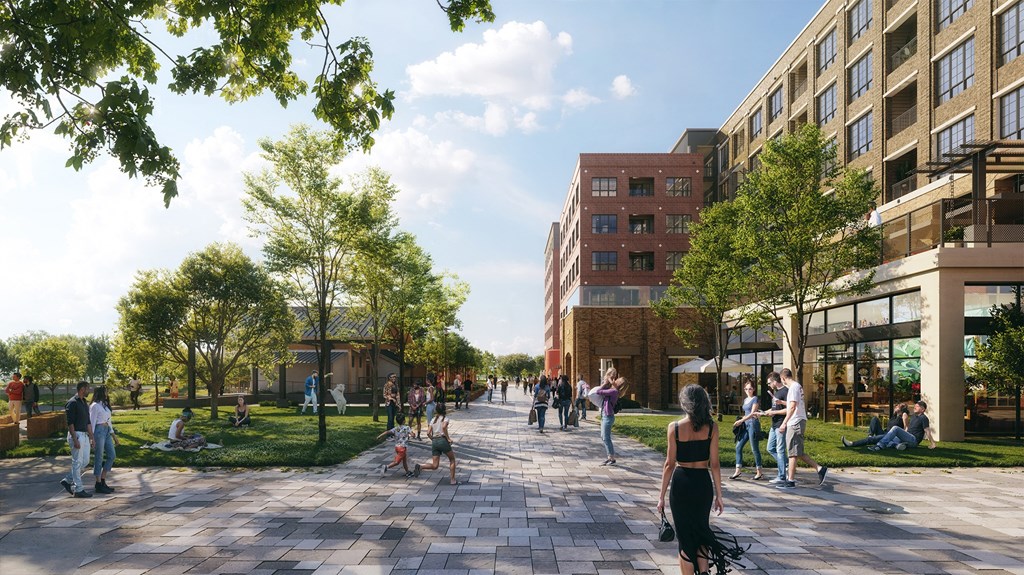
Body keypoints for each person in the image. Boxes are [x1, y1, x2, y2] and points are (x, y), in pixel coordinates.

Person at [656, 384, 745, 575]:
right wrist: (719, 495)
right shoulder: (712, 427)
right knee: (701, 531)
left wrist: (661, 496)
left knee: (685, 538)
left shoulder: (675, 428)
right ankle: (704, 573)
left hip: (682, 484)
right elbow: (715, 464)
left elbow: (669, 464)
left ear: (684, 403)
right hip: (703, 485)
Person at [777, 368, 828, 489]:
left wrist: (784, 423)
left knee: (793, 453)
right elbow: (792, 404)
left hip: (795, 422)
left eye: (781, 379)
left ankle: (790, 481)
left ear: (783, 378)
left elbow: (793, 406)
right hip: (797, 421)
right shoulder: (796, 387)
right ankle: (820, 469)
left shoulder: (794, 387)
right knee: (797, 451)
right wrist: (783, 403)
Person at [60, 381, 95, 498]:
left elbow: (88, 422)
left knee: (84, 461)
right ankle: (78, 489)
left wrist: (92, 437)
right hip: (77, 435)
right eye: (88, 388)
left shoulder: (84, 402)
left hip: (85, 435)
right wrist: (75, 439)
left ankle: (67, 480)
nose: (89, 390)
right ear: (82, 389)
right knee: (77, 462)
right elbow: (70, 423)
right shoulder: (72, 403)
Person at [757, 372, 789, 484]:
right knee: (770, 448)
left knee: (780, 450)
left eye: (769, 382)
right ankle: (786, 464)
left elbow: (788, 409)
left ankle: (781, 476)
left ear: (775, 381)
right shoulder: (776, 392)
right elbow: (774, 407)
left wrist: (774, 412)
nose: (768, 385)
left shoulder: (785, 391)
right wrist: (764, 413)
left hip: (781, 424)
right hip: (774, 425)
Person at [868, 401, 937, 451]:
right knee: (889, 438)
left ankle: (879, 446)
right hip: (908, 438)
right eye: (915, 406)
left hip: (914, 440)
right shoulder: (913, 416)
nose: (915, 407)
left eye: (917, 406)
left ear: (922, 409)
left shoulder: (923, 418)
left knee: (895, 428)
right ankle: (897, 446)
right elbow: (908, 428)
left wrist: (932, 443)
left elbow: (927, 430)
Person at [730, 379, 764, 480]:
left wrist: (741, 420)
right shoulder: (745, 400)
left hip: (753, 425)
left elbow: (752, 413)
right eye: (746, 389)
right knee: (738, 447)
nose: (748, 390)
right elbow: (745, 413)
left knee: (754, 449)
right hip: (745, 426)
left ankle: (759, 471)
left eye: (750, 389)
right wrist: (741, 420)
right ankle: (738, 470)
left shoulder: (755, 399)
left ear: (753, 389)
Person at [419, 403, 459, 485]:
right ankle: (452, 480)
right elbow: (444, 427)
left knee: (435, 465)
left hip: (435, 442)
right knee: (452, 459)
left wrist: (433, 440)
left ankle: (420, 466)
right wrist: (448, 438)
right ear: (444, 410)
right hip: (442, 440)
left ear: (436, 410)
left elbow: (428, 433)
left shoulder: (433, 419)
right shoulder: (445, 419)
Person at [89, 386, 118, 494]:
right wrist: (91, 438)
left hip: (106, 431)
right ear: (101, 392)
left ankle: (102, 479)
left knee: (112, 455)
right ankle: (98, 484)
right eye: (106, 391)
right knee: (99, 457)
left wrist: (114, 436)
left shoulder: (105, 405)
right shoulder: (95, 406)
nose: (107, 393)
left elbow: (109, 422)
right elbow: (91, 423)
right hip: (98, 431)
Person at [841, 404, 909, 448]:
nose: (896, 406)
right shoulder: (894, 416)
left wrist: (902, 440)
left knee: (872, 439)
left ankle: (851, 444)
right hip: (884, 433)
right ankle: (870, 435)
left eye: (898, 406)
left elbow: (906, 427)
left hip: (890, 436)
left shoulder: (903, 415)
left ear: (902, 409)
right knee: (875, 419)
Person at [595, 369, 625, 465]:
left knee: (606, 437)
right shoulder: (613, 390)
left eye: (618, 380)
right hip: (606, 415)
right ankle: (610, 457)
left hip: (608, 416)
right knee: (604, 436)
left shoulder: (613, 391)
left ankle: (611, 457)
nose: (616, 379)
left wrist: (605, 383)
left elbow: (599, 391)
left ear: (619, 384)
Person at [376, 412, 419, 478]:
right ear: (404, 420)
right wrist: (413, 434)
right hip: (402, 448)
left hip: (397, 447)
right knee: (397, 462)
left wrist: (379, 436)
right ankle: (386, 467)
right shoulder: (407, 428)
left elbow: (387, 432)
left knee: (404, 460)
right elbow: (413, 435)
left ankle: (407, 472)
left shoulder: (396, 428)